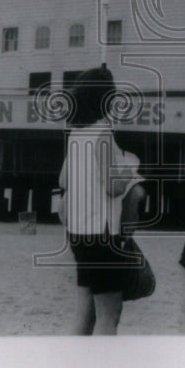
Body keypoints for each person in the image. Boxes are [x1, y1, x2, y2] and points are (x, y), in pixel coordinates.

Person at [58, 66, 145, 335]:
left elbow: (63, 181)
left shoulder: (76, 135)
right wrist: (129, 168)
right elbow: (114, 187)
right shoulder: (103, 134)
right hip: (103, 233)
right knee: (110, 315)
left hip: (79, 233)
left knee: (85, 311)